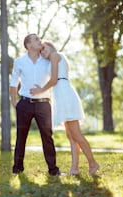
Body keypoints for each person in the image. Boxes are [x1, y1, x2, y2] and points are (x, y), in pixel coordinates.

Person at [30, 41, 99, 175]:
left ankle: (93, 163)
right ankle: (74, 169)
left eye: (43, 48)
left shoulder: (56, 55)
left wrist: (40, 90)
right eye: (40, 51)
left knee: (76, 134)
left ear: (50, 46)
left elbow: (54, 79)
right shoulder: (52, 60)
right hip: (60, 95)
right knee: (71, 135)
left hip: (65, 95)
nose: (42, 51)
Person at [9, 34, 60, 176]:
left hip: (44, 104)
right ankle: (17, 167)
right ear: (28, 45)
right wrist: (13, 100)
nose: (40, 41)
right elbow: (14, 81)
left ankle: (53, 169)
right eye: (36, 39)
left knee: (47, 136)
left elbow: (55, 77)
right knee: (21, 136)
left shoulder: (47, 60)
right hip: (25, 103)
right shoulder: (19, 61)